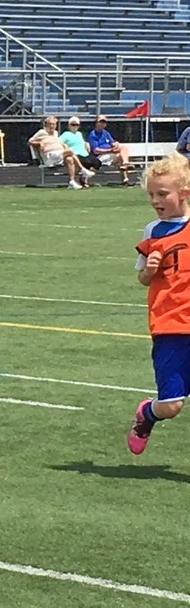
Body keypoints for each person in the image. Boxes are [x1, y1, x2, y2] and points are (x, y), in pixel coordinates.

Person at [127, 153, 190, 455]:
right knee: (172, 405)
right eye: (152, 194)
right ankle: (147, 415)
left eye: (162, 193)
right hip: (170, 326)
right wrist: (150, 270)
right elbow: (141, 278)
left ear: (184, 192)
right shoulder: (153, 231)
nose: (155, 200)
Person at [29, 116, 91, 189]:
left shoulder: (55, 133)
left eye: (54, 124)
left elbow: (58, 142)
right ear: (46, 124)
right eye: (50, 124)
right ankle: (82, 169)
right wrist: (39, 143)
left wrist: (63, 145)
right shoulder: (42, 132)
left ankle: (71, 182)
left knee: (69, 159)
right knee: (70, 151)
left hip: (58, 154)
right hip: (49, 156)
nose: (52, 126)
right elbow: (30, 141)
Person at [87, 114, 134, 186]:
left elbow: (112, 142)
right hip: (100, 157)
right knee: (122, 150)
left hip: (110, 155)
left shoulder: (106, 133)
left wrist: (116, 144)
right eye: (101, 122)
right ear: (96, 123)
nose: (102, 124)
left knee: (121, 151)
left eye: (104, 122)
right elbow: (96, 150)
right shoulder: (93, 134)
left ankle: (125, 177)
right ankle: (126, 164)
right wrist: (111, 150)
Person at [59, 117, 102, 181]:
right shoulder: (66, 134)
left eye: (77, 125)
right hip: (75, 154)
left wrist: (86, 143)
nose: (75, 126)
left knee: (97, 163)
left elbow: (81, 142)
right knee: (87, 162)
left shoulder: (79, 134)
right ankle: (82, 179)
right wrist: (64, 146)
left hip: (85, 153)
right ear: (69, 125)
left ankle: (83, 177)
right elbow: (58, 142)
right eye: (73, 125)